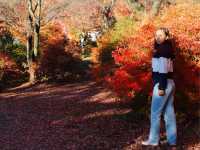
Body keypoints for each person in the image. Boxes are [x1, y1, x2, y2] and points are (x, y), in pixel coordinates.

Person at [141, 28, 177, 149]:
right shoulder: (168, 49)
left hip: (163, 84)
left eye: (161, 35)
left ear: (166, 36)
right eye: (156, 35)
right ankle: (172, 141)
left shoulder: (162, 50)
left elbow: (162, 70)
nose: (158, 37)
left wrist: (161, 87)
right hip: (171, 83)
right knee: (169, 113)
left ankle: (153, 140)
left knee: (155, 114)